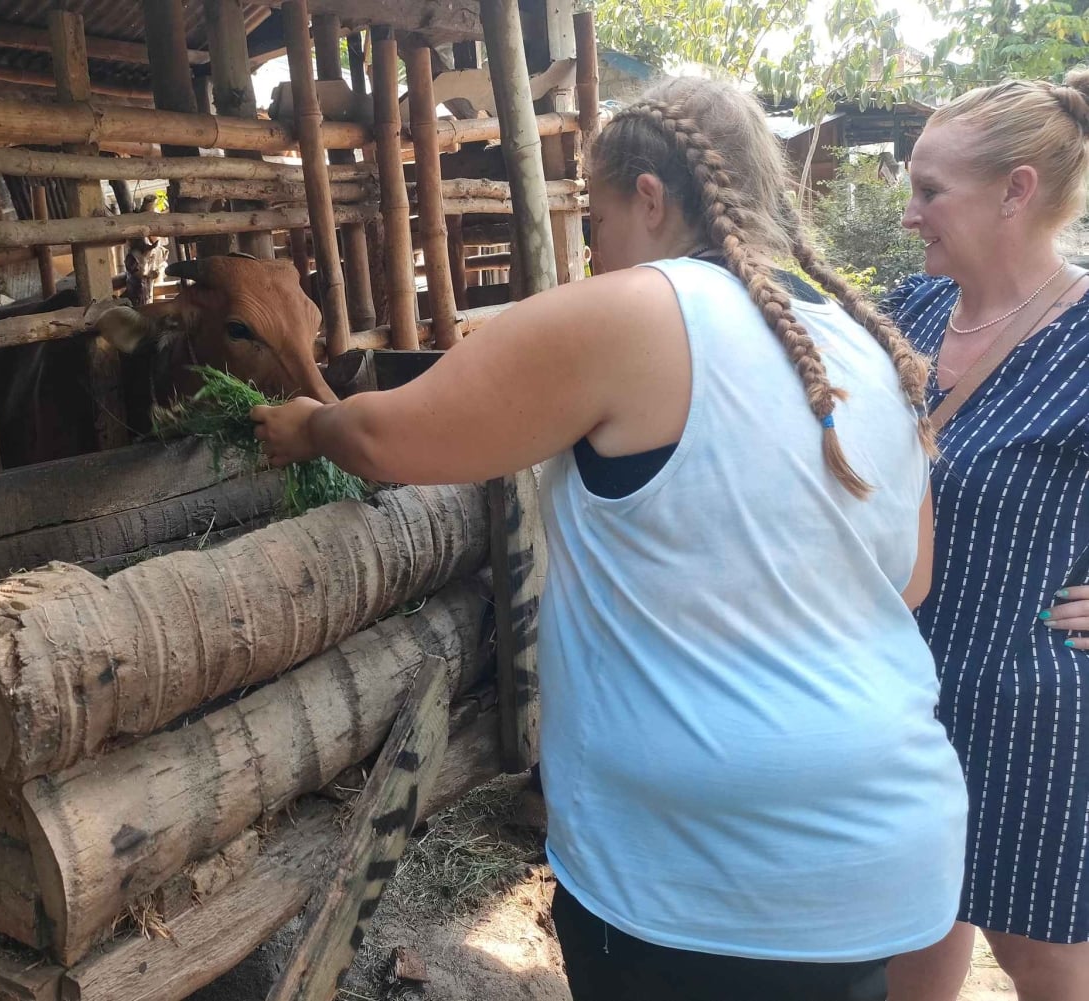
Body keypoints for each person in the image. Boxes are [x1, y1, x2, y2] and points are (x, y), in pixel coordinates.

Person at [252, 76, 967, 1001]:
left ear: (652, 197)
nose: (591, 250)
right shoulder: (870, 352)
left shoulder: (636, 310)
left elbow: (387, 439)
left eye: (594, 221)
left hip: (698, 880)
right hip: (883, 849)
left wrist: (311, 423)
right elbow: (907, 584)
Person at [882, 72, 1089, 1001]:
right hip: (894, 689)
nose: (910, 213)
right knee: (910, 928)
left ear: (1017, 190)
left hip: (1025, 706)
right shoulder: (910, 312)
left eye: (930, 191)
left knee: (1037, 952)